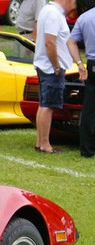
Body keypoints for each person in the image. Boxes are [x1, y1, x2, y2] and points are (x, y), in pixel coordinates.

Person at [33, 0, 76, 153]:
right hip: (51, 68)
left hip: (45, 65)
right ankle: (45, 144)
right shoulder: (53, 14)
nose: (73, 5)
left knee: (44, 104)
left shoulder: (47, 10)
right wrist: (56, 66)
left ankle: (40, 142)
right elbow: (50, 42)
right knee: (48, 106)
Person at [68, 4, 94, 157]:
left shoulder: (84, 18)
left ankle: (87, 149)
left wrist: (79, 63)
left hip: (92, 63)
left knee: (89, 108)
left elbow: (71, 42)